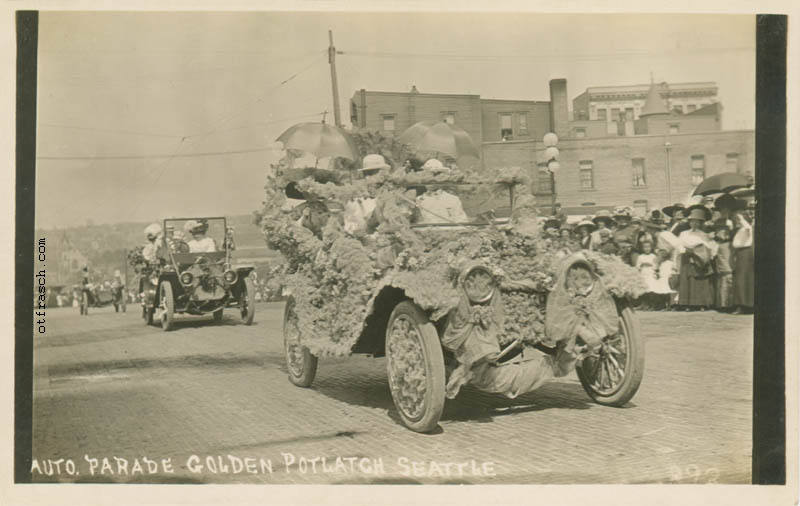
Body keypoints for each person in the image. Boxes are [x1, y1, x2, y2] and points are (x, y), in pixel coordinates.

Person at [676, 205, 716, 310]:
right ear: (689, 222)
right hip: (686, 258)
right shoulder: (684, 233)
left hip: (699, 259)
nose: (695, 224)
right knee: (687, 280)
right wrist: (685, 250)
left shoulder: (703, 234)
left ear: (700, 223)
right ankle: (687, 303)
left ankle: (700, 303)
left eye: (697, 222)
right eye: (692, 221)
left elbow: (708, 247)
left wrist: (698, 251)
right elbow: (679, 245)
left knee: (699, 281)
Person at [731, 210, 754, 314]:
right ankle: (742, 304)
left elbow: (748, 227)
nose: (737, 221)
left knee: (743, 279)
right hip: (740, 253)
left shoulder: (748, 228)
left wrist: (742, 219)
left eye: (738, 219)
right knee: (740, 279)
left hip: (746, 253)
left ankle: (744, 305)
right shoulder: (740, 229)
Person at [713, 220, 734, 312]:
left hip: (726, 268)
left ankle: (725, 305)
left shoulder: (726, 245)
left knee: (726, 284)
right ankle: (723, 304)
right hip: (721, 267)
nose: (718, 233)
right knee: (722, 284)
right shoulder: (719, 244)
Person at [635, 238, 659, 310]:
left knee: (651, 289)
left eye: (648, 247)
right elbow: (637, 266)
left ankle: (652, 305)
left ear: (651, 248)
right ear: (642, 248)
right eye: (645, 247)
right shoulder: (640, 256)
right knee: (644, 289)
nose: (647, 249)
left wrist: (651, 264)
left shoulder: (653, 256)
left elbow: (656, 266)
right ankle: (644, 304)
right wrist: (641, 265)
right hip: (643, 273)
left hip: (650, 273)